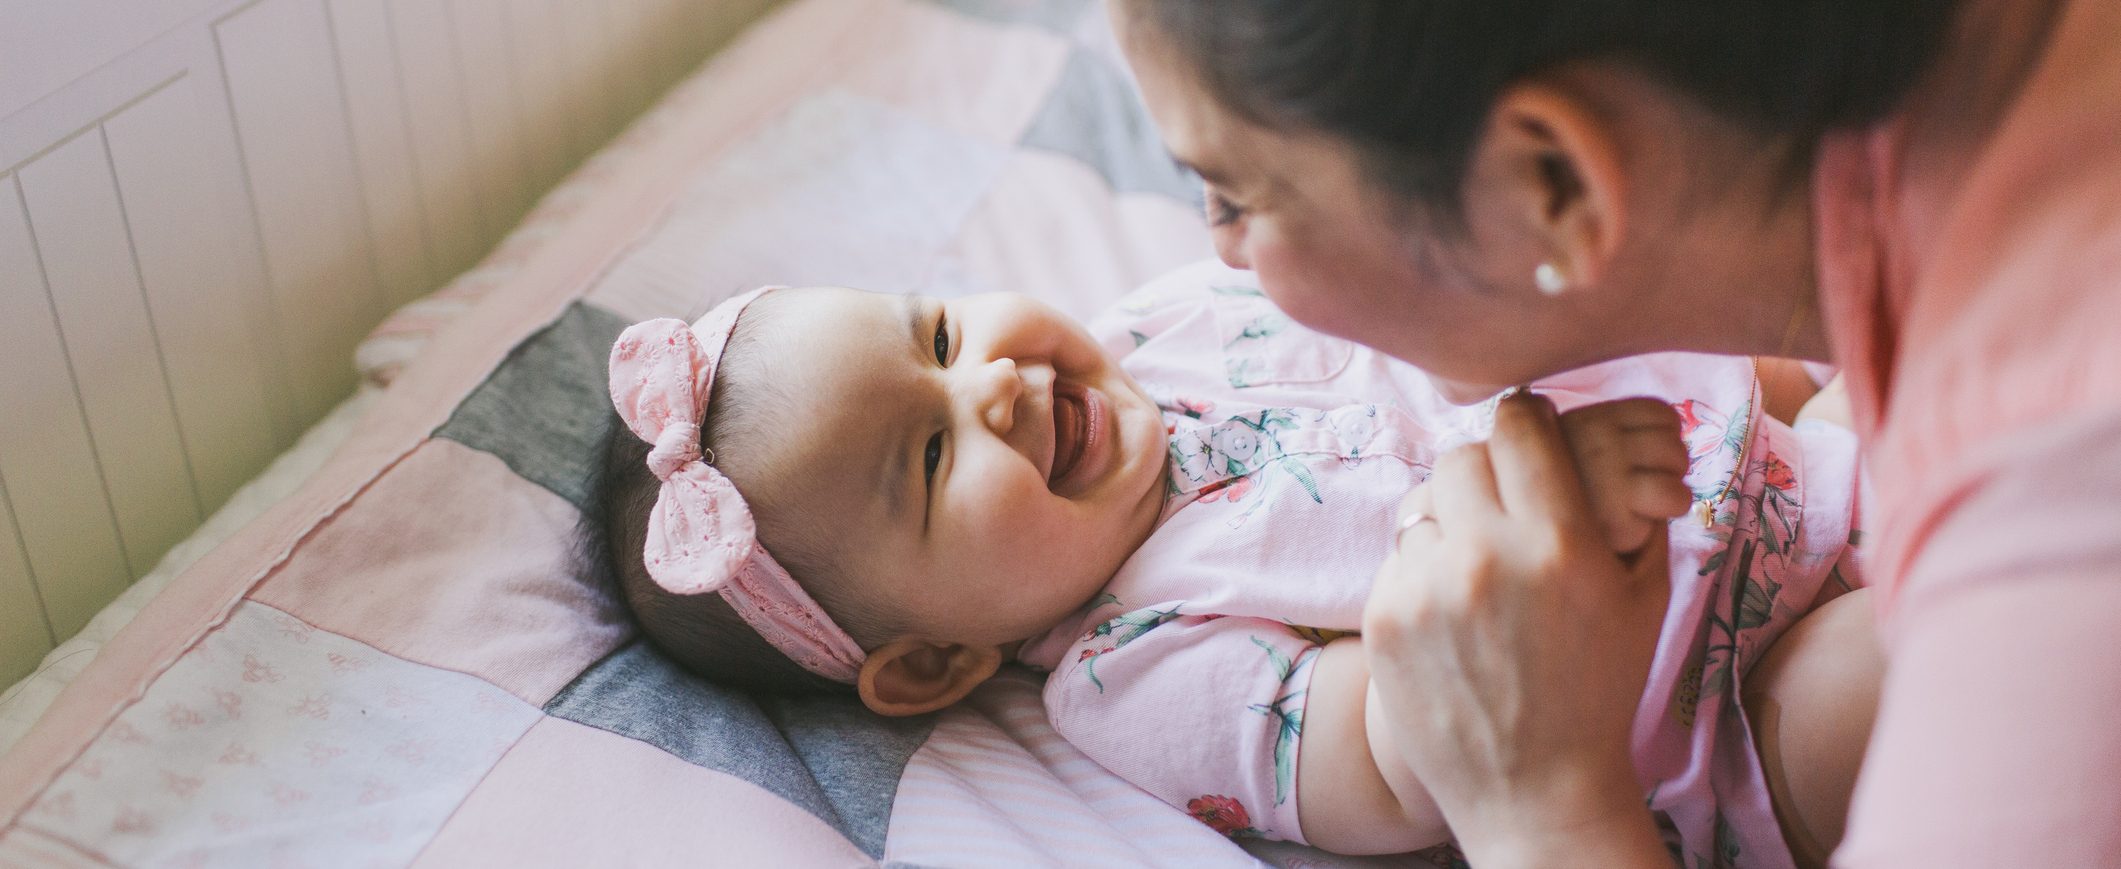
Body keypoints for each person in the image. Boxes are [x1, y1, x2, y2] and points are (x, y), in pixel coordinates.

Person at [1109, 0, 2121, 864]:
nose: (1223, 254)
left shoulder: (2052, 582)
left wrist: (1540, 803)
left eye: (1237, 192)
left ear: (1549, 184)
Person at [580, 266, 1870, 862]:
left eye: (939, 329)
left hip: (1762, 428)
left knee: (1878, 357)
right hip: (1729, 689)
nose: (994, 384)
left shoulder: (1164, 318)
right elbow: (1398, 763)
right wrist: (1558, 520)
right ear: (933, 658)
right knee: (1880, 679)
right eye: (925, 460)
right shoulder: (1135, 671)